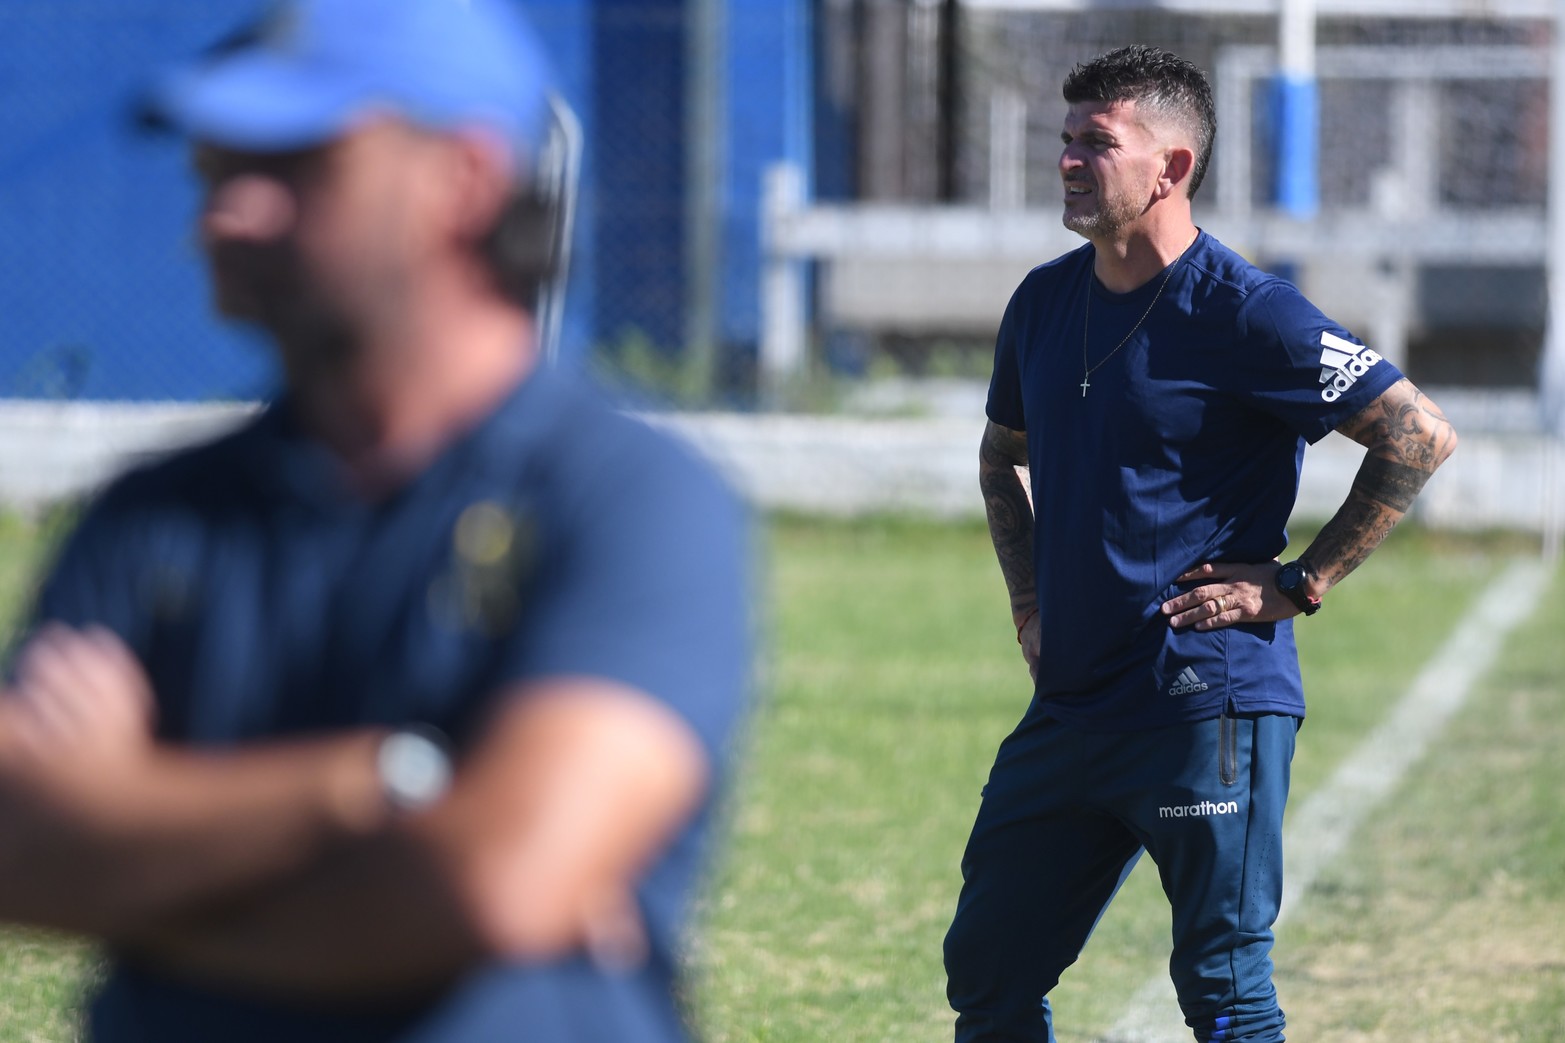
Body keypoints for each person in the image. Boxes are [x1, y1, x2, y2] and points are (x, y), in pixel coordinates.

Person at [0, 1, 751, 1041]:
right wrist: (363, 784)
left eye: (296, 163)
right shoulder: (155, 514)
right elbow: (16, 843)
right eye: (216, 170)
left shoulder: (625, 498)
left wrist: (133, 848)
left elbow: (492, 878)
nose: (228, 211)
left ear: (466, 180)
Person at [942, 45, 1456, 1043]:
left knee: (1222, 990)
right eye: (1064, 140)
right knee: (989, 970)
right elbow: (1001, 458)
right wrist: (1027, 604)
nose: (1066, 161)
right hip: (1070, 707)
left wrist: (1298, 580)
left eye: (1096, 143)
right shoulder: (1040, 304)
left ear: (1171, 166)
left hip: (1203, 704)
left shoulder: (1246, 310)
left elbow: (1415, 432)